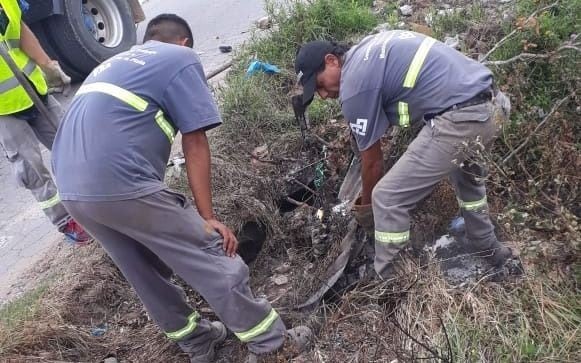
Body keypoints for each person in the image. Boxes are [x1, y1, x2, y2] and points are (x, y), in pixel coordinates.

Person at [51, 14, 310, 363]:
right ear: (185, 43)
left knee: (143, 271)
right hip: (119, 181)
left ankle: (198, 342)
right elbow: (195, 139)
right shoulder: (181, 57)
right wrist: (207, 218)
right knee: (208, 253)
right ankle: (271, 343)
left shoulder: (113, 63)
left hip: (72, 189)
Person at [294, 30, 513, 279]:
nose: (323, 95)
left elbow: (373, 162)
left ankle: (393, 283)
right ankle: (489, 249)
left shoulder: (353, 85)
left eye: (320, 84)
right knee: (468, 182)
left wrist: (367, 210)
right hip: (493, 107)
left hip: (462, 118)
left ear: (332, 60)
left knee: (387, 198)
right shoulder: (368, 49)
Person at [0, 0, 91, 245]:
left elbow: (19, 31)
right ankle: (67, 222)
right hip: (4, 110)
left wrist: (47, 65)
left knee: (74, 143)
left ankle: (100, 198)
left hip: (34, 88)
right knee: (31, 170)